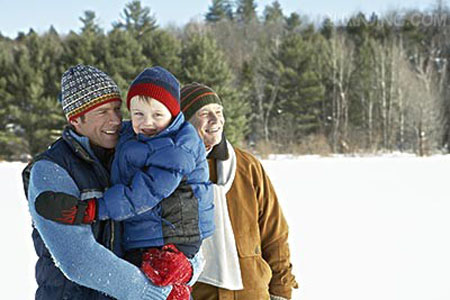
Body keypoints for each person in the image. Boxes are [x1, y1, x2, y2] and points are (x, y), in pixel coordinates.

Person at [23, 64, 203, 300]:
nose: (116, 120)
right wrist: (155, 293)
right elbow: (78, 260)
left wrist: (187, 267)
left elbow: (186, 216)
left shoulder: (138, 149)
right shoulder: (51, 171)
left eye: (117, 109)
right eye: (102, 112)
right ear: (76, 120)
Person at [180, 83, 299, 300]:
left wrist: (281, 292)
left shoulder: (247, 166)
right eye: (205, 113)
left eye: (219, 112)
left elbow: (275, 235)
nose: (215, 121)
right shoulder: (171, 171)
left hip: (252, 293)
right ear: (185, 121)